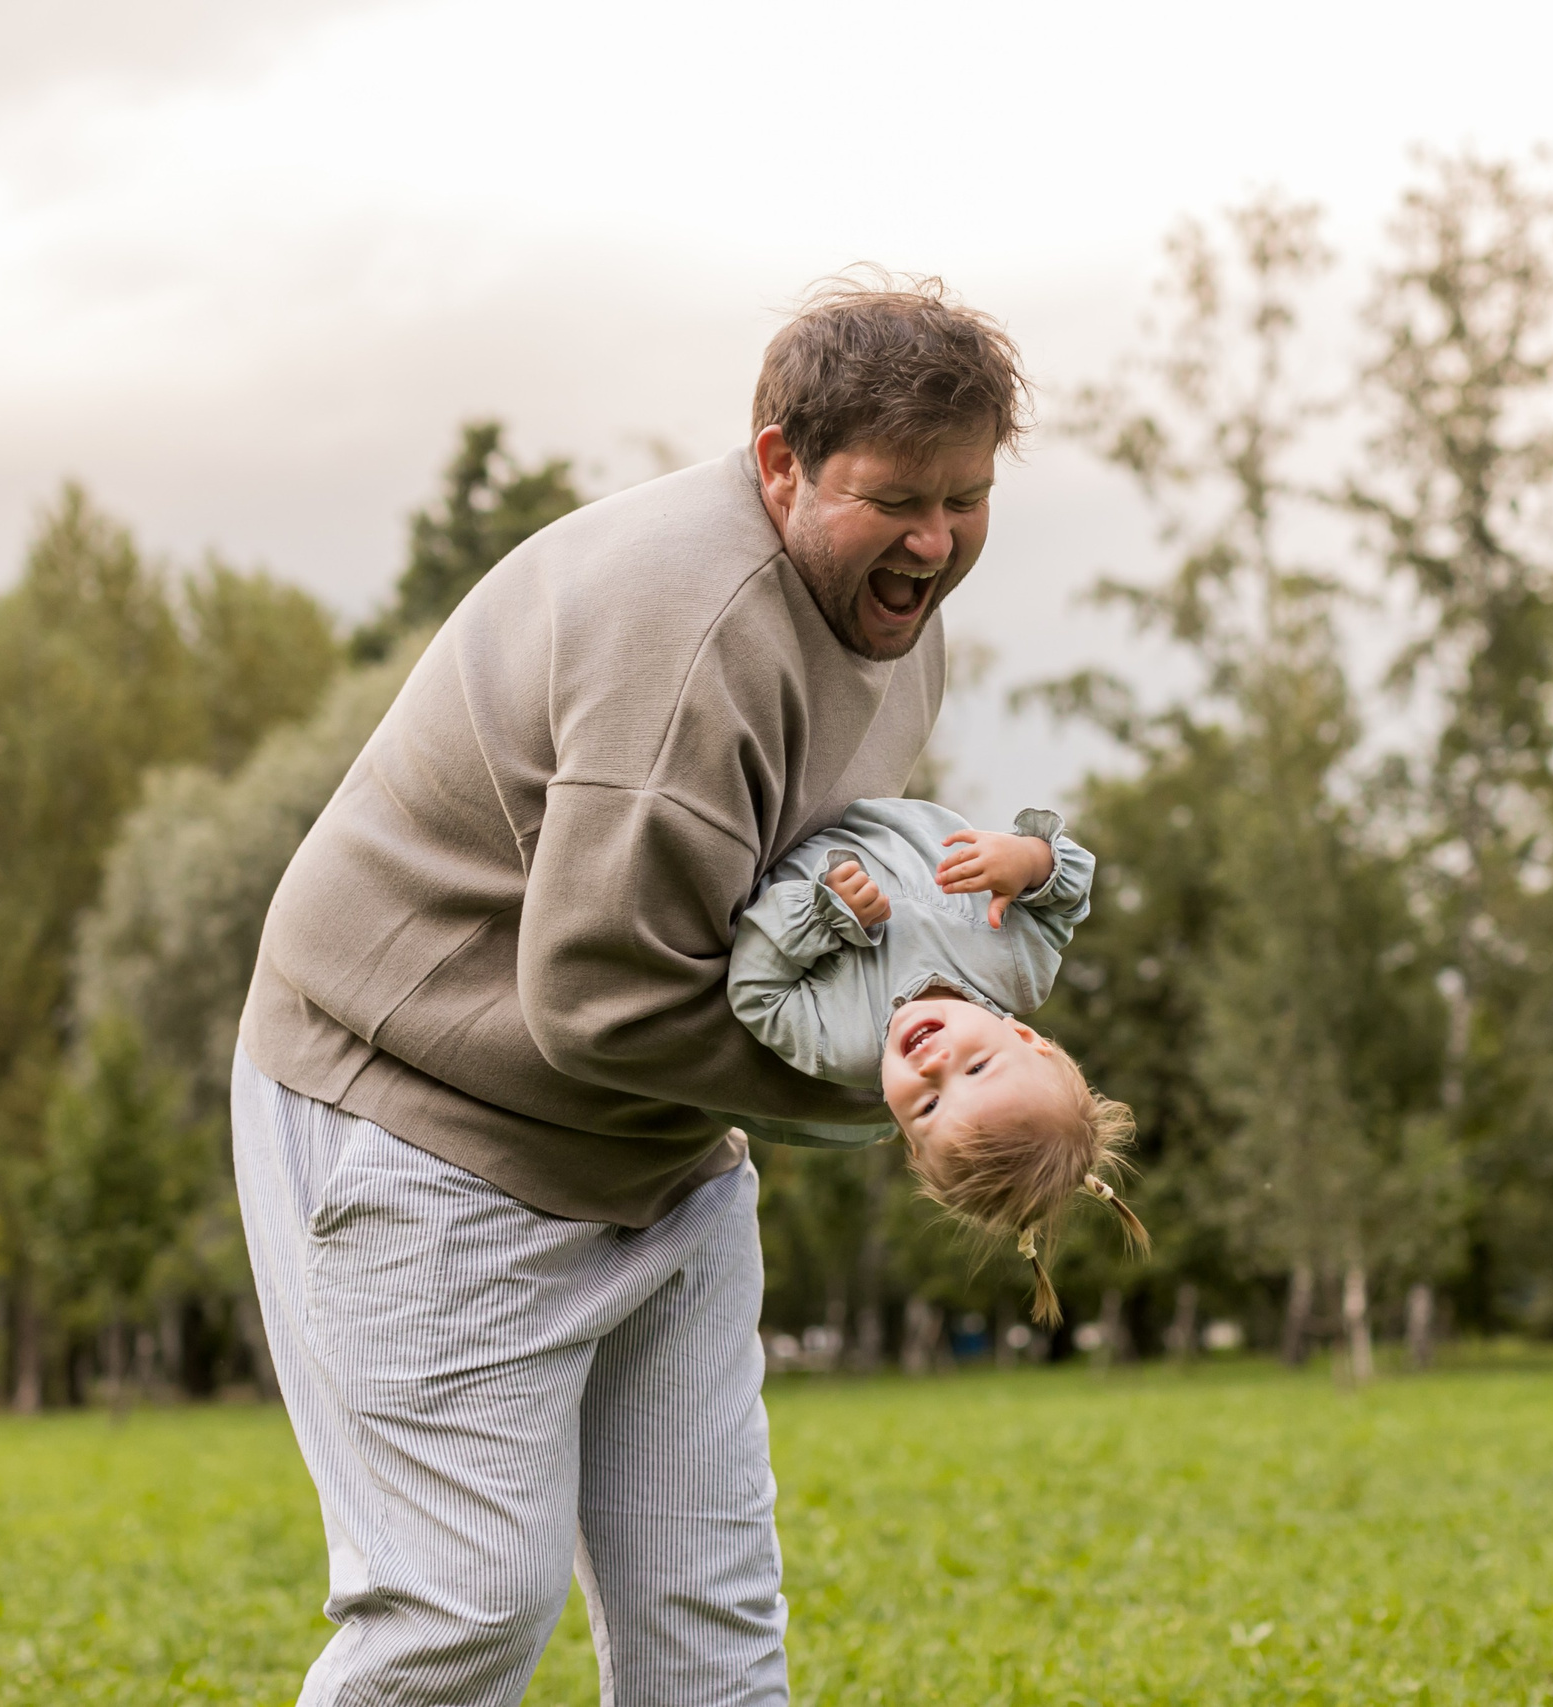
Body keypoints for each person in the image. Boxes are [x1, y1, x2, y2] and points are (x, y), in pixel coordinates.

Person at [231, 275, 1028, 1706]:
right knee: (461, 1610)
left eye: (966, 499)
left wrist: (964, 1003)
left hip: (656, 1147)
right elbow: (598, 996)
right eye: (899, 498)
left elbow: (795, 905)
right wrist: (885, 1086)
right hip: (425, 1117)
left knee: (707, 1631)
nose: (935, 541)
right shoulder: (690, 634)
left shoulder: (886, 616)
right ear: (780, 463)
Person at [716, 797, 1148, 1326]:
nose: (933, 1065)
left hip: (772, 837)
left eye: (928, 1106)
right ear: (1024, 1036)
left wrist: (822, 912)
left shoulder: (840, 1047)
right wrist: (1030, 861)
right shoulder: (1020, 970)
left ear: (908, 1137)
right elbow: (1071, 892)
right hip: (866, 796)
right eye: (977, 1069)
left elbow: (757, 991)